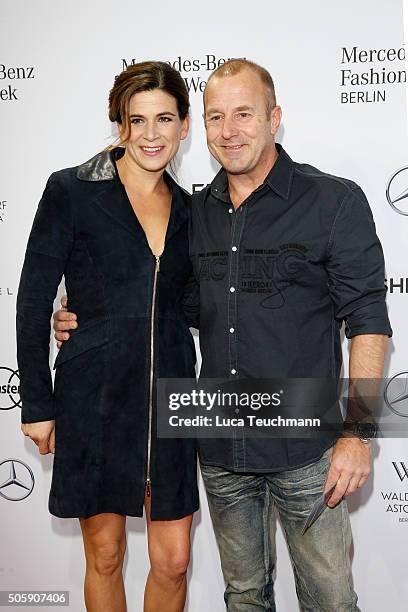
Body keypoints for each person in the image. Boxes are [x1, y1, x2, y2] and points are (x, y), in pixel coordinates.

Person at [54, 59, 392, 611]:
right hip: (220, 444)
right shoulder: (195, 212)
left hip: (308, 446)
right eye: (216, 116)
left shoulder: (333, 201)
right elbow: (164, 296)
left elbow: (369, 320)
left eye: (243, 114)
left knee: (330, 599)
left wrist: (358, 432)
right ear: (200, 127)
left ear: (274, 118)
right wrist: (81, 313)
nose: (229, 130)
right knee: (243, 598)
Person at [16, 61, 199, 612]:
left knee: (174, 560)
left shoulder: (194, 210)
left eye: (163, 119)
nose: (150, 134)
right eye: (136, 120)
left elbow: (195, 302)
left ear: (184, 126)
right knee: (106, 552)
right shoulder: (71, 189)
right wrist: (37, 404)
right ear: (119, 123)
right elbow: (32, 299)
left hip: (171, 392)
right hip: (93, 391)